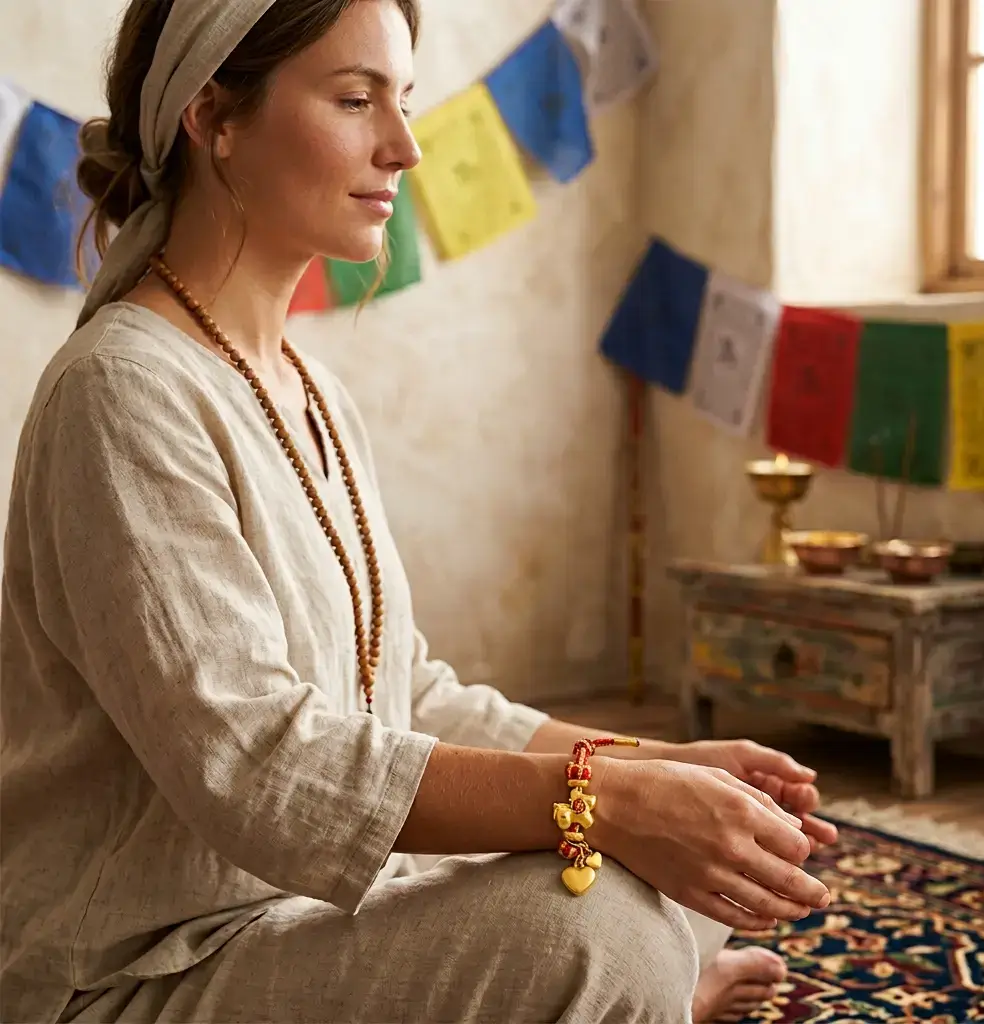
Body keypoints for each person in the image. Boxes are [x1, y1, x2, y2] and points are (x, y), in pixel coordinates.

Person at [0, 1, 839, 1021]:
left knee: (679, 874)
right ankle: (643, 995)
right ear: (213, 116)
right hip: (145, 968)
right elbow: (259, 764)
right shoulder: (123, 390)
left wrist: (659, 765)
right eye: (356, 100)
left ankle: (647, 993)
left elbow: (403, 696)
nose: (402, 147)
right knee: (602, 929)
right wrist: (606, 798)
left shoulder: (308, 390)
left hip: (297, 915)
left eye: (403, 103)